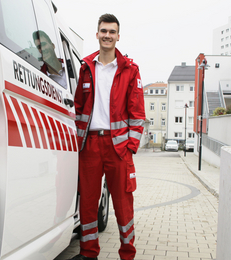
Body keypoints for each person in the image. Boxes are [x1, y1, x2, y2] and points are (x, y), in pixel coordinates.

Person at [70, 14, 145, 260]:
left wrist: (130, 147)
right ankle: (89, 254)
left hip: (118, 147)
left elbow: (137, 113)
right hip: (90, 145)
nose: (107, 35)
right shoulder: (86, 67)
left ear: (118, 36)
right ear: (97, 34)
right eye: (103, 31)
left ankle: (127, 255)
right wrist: (78, 144)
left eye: (112, 32)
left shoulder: (130, 70)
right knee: (88, 204)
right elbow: (79, 109)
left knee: (124, 206)